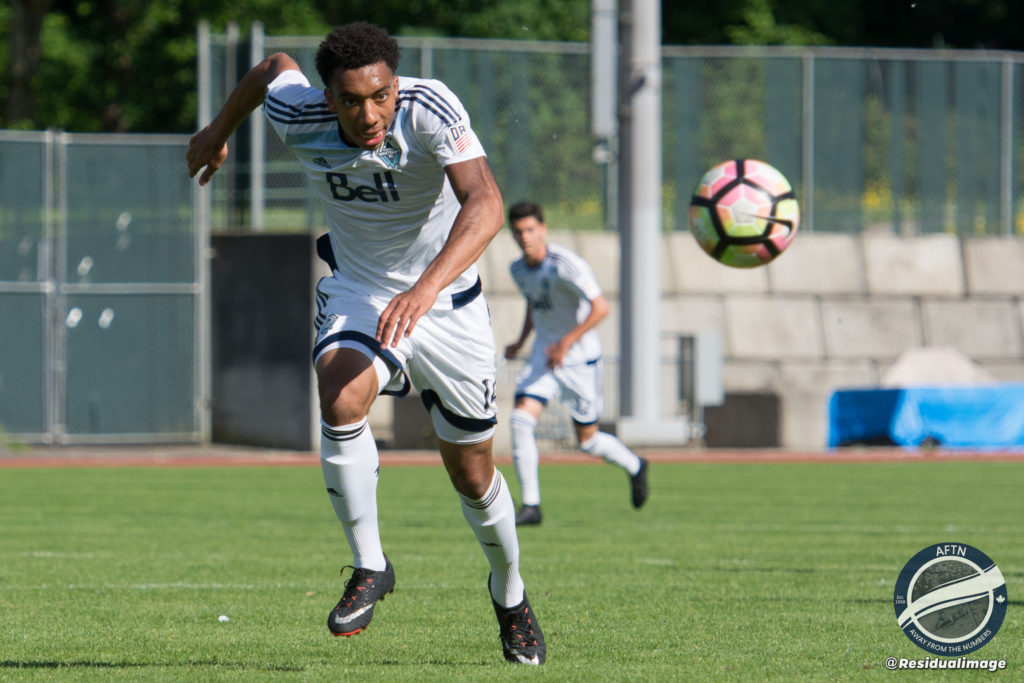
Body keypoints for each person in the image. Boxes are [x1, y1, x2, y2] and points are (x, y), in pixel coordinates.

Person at [186, 22, 544, 665]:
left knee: (472, 474)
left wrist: (426, 289)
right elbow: (271, 68)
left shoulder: (429, 107)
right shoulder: (301, 116)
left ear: (395, 86)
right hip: (362, 292)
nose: (369, 114)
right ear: (328, 99)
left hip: (449, 304)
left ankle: (510, 594)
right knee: (341, 392)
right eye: (351, 101)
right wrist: (217, 132)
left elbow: (486, 204)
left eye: (380, 96)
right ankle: (370, 565)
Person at [503, 201, 649, 526]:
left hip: (579, 361)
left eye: (530, 230)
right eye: (518, 232)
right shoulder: (517, 269)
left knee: (588, 441)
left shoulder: (565, 265)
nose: (525, 237)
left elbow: (601, 308)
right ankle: (531, 506)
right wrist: (520, 341)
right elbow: (535, 305)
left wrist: (567, 342)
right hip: (544, 356)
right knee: (520, 420)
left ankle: (636, 466)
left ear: (543, 229)